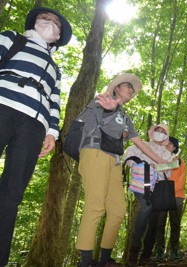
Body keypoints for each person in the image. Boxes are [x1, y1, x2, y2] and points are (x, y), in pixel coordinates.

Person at [0, 7, 72, 267]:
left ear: (58, 38)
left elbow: (55, 102)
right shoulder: (12, 39)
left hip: (34, 124)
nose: (51, 23)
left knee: (12, 194)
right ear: (34, 22)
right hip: (3, 103)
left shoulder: (55, 68)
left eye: (57, 24)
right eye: (46, 19)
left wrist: (52, 132)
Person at [75, 74, 169, 267]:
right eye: (129, 86)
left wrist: (160, 160)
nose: (132, 91)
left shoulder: (125, 117)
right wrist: (109, 109)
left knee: (118, 210)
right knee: (95, 206)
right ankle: (85, 262)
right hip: (94, 153)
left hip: (114, 161)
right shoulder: (101, 100)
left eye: (134, 90)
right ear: (116, 87)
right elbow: (93, 117)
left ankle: (104, 259)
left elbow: (139, 143)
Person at [124, 124, 174, 267]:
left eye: (163, 132)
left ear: (166, 136)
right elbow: (128, 157)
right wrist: (142, 165)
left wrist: (156, 167)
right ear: (151, 132)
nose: (160, 133)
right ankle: (133, 252)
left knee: (153, 221)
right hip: (141, 185)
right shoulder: (141, 145)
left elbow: (169, 171)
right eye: (157, 130)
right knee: (146, 207)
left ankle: (146, 255)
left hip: (158, 188)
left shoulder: (167, 153)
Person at [141, 136, 187, 263]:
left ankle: (174, 249)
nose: (167, 145)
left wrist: (169, 191)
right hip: (161, 195)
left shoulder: (180, 162)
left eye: (170, 144)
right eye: (166, 144)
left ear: (175, 147)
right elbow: (153, 176)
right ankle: (159, 249)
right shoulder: (158, 161)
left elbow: (181, 181)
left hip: (176, 195)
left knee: (175, 223)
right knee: (159, 223)